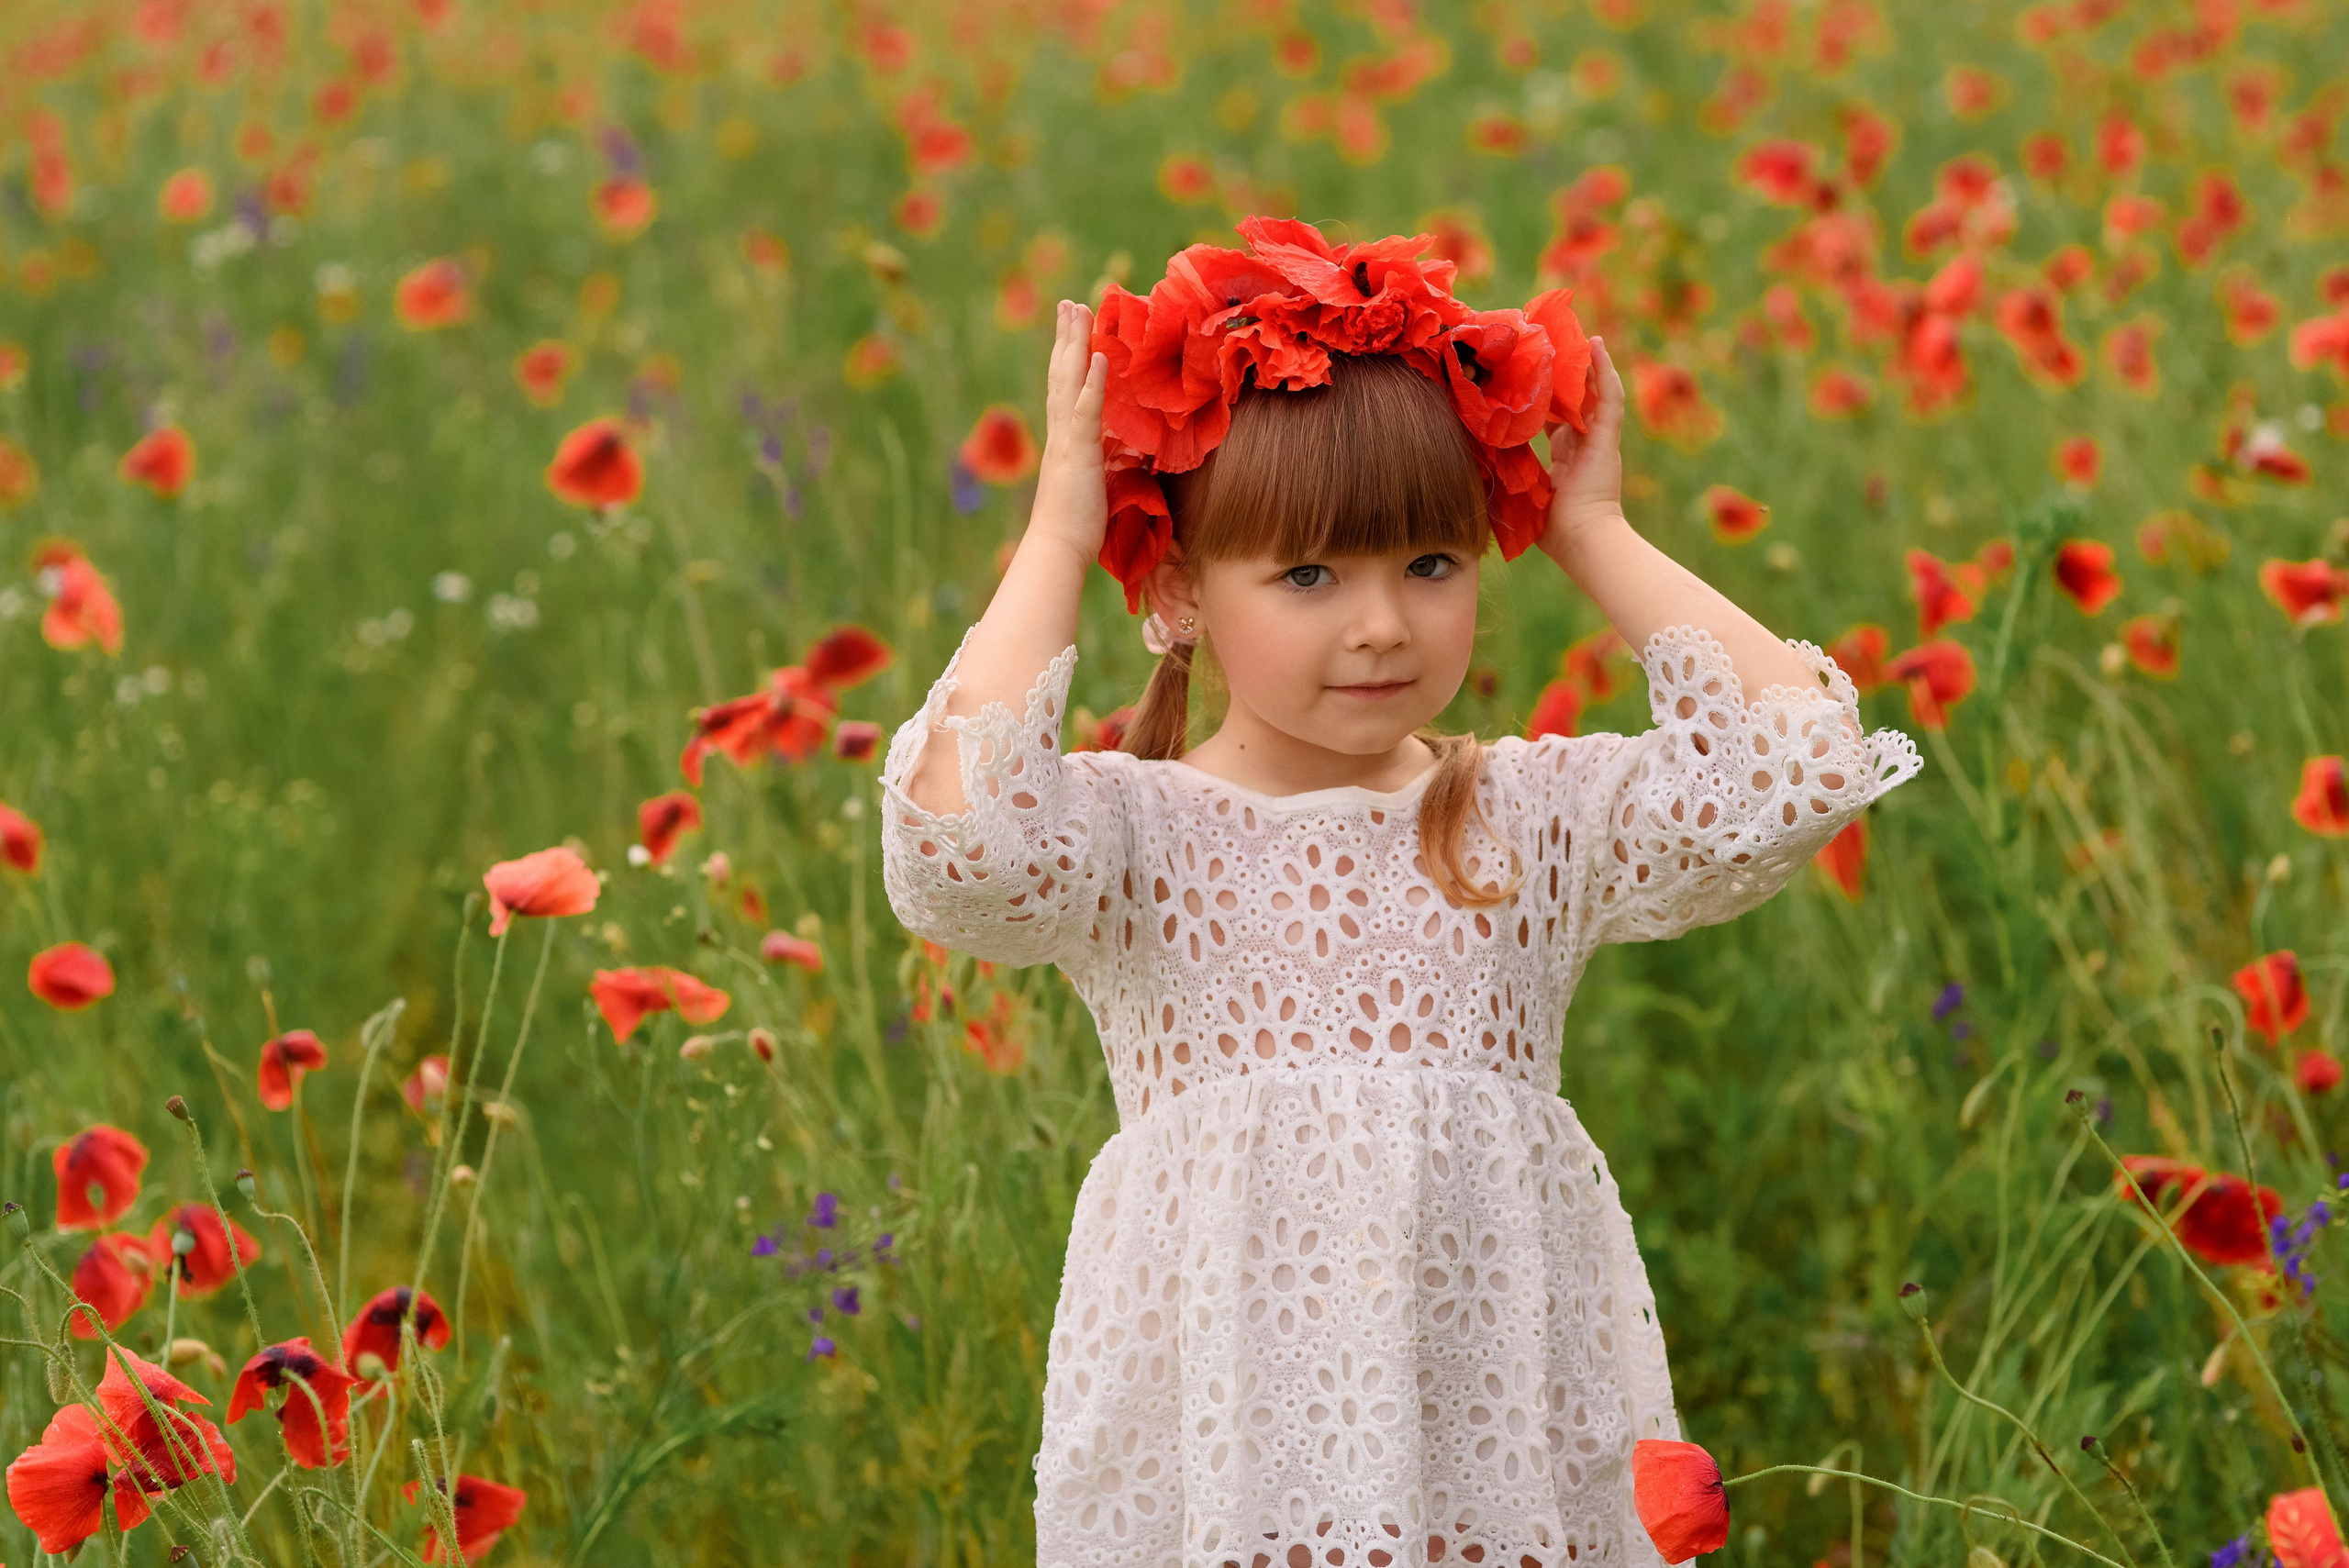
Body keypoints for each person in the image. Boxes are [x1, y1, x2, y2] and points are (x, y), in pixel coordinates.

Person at [878, 218, 1923, 1568]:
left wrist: (1591, 527)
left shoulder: (1529, 816)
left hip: (1487, 1459)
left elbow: (1800, 765)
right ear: (1182, 586)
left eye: (1431, 565)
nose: (1381, 624)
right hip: (1238, 1464)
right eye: (1309, 575)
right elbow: (961, 851)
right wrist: (1061, 534)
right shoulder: (1134, 834)